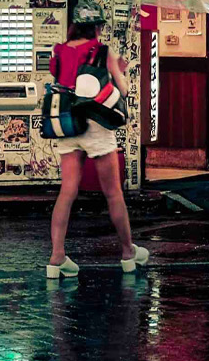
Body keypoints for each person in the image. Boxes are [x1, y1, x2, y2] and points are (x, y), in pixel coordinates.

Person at [45, 20, 150, 278]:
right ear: (95, 28)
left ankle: (57, 257)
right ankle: (128, 253)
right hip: (96, 124)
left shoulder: (59, 50)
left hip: (68, 122)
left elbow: (63, 81)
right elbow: (122, 90)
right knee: (113, 193)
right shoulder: (103, 51)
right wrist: (120, 70)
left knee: (67, 191)